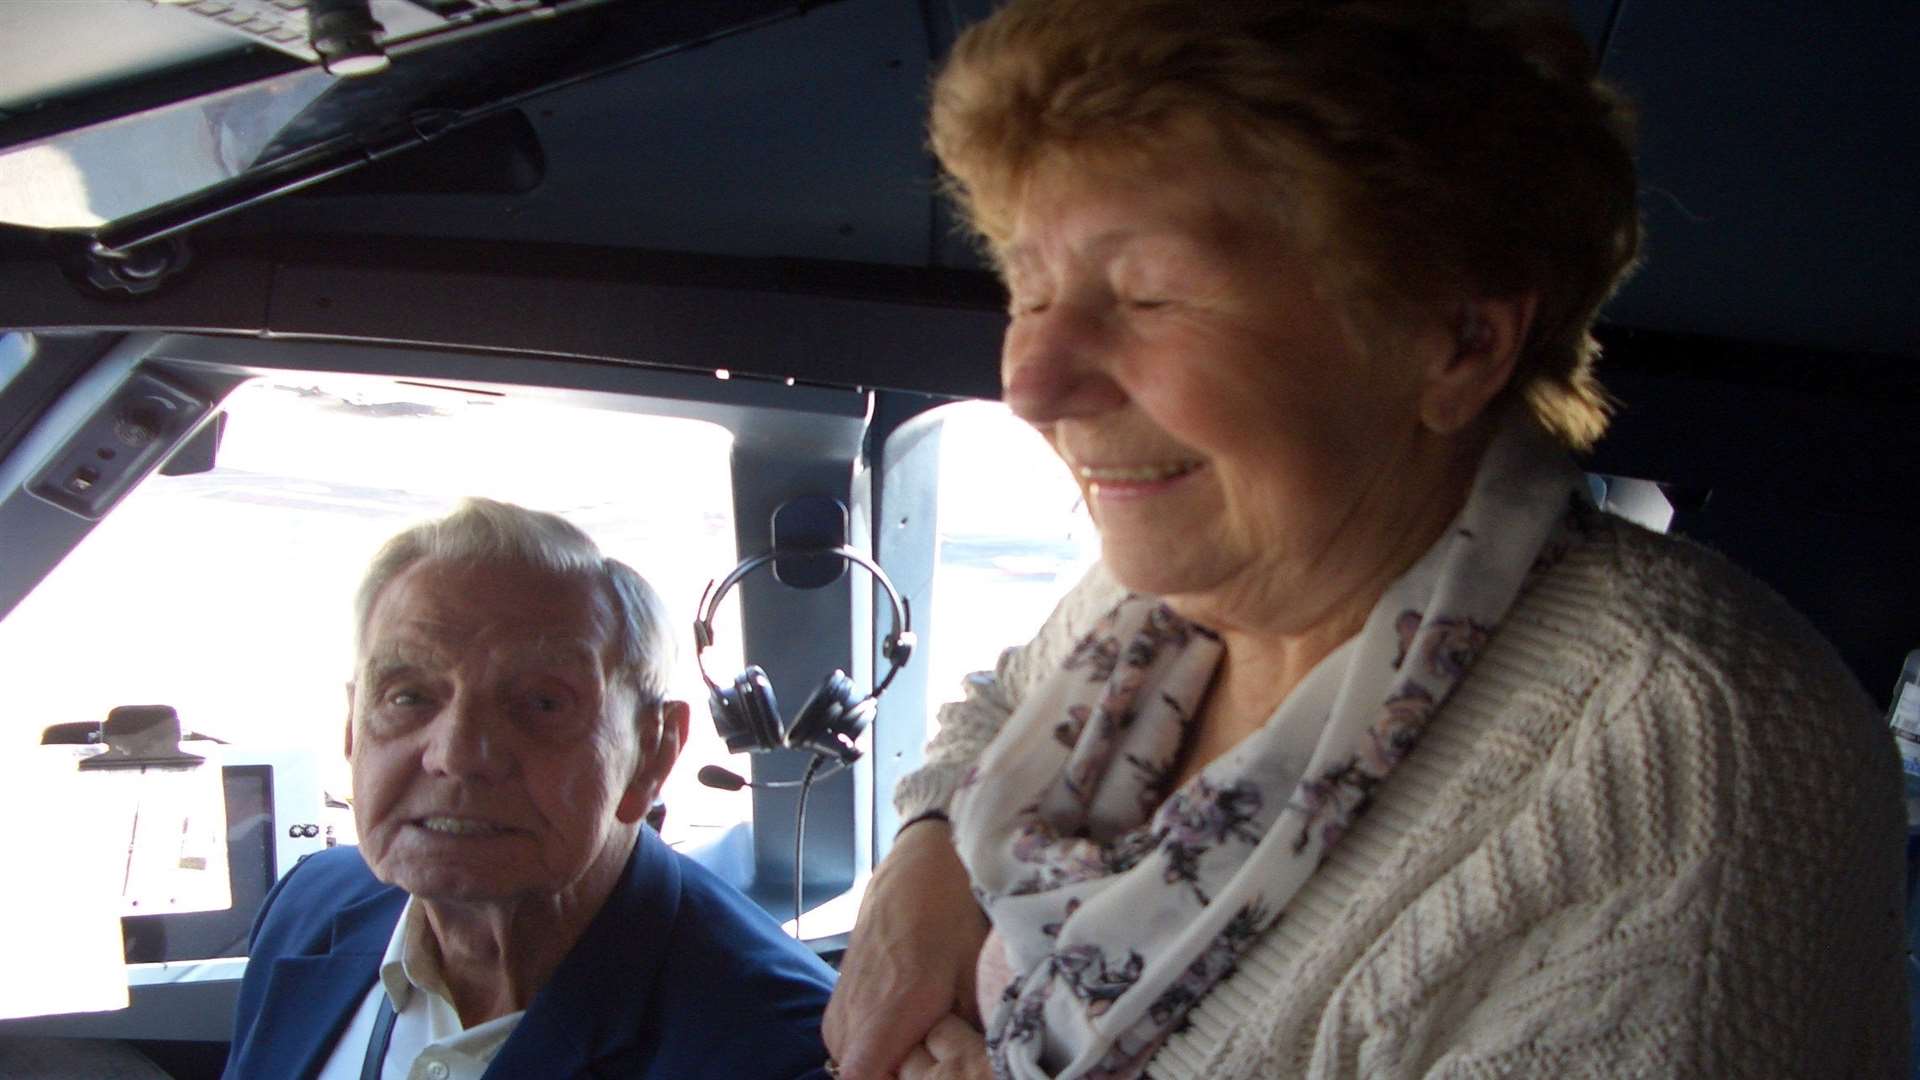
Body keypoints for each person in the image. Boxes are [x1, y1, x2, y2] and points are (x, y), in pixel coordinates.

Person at [824, 1, 1907, 1077]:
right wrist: (922, 871)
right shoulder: (1159, 606)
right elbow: (1002, 709)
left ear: (1456, 342)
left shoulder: (1687, 756)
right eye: (1030, 288)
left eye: (1152, 295)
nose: (1028, 383)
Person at [224, 498, 835, 1080]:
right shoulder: (310, 905)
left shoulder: (788, 1050)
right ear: (354, 730)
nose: (458, 756)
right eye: (408, 696)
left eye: (542, 704)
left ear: (652, 753)